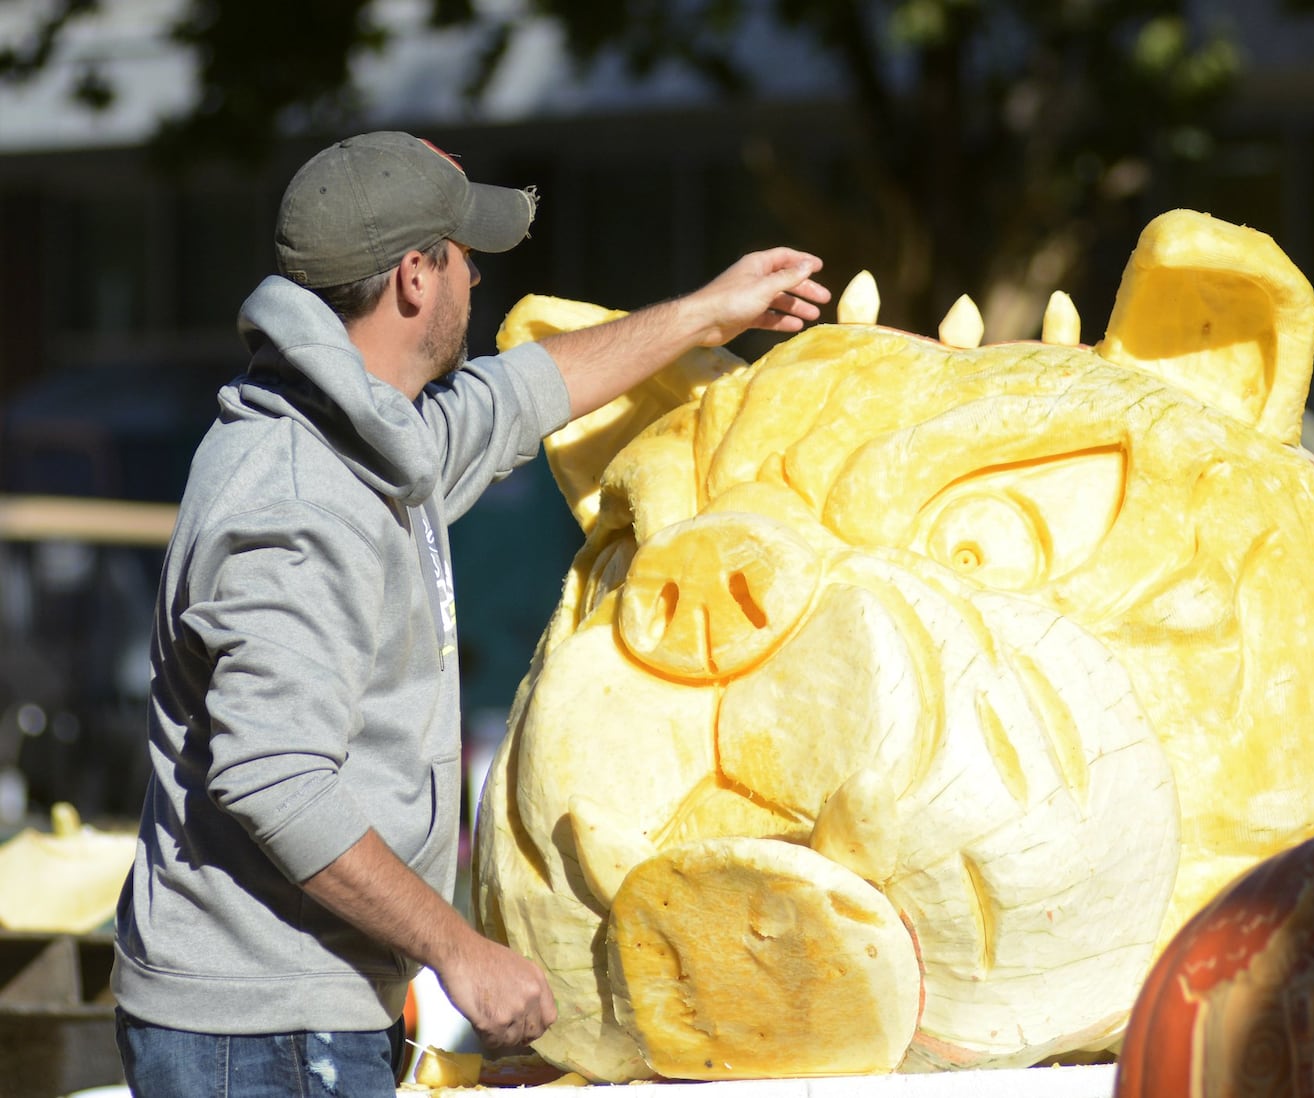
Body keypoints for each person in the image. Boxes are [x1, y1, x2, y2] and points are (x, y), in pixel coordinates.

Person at [110, 130, 830, 1097]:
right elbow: (273, 778)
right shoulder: (300, 500)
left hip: (304, 1012)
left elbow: (525, 393)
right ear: (415, 276)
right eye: (463, 257)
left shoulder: (365, 437)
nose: (477, 281)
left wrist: (707, 314)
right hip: (260, 1038)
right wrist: (462, 951)